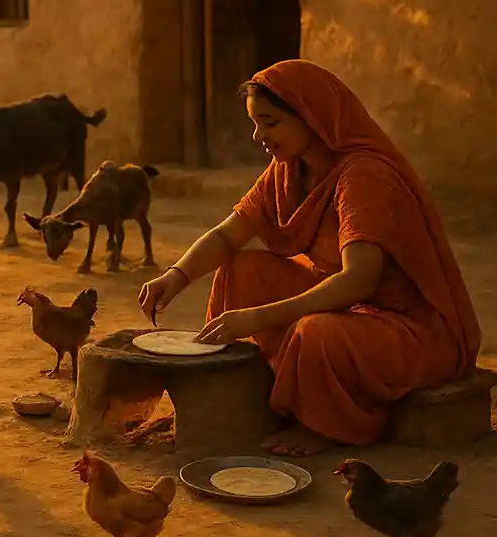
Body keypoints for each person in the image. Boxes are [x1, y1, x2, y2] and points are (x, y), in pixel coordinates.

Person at [139, 59, 483, 457]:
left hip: (405, 328)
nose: (258, 136)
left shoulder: (364, 175)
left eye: (270, 123)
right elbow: (227, 235)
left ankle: (325, 424)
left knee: (316, 332)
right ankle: (253, 390)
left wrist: (259, 318)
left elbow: (359, 281)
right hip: (350, 310)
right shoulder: (287, 170)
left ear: (310, 117)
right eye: (255, 123)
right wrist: (176, 276)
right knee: (241, 270)